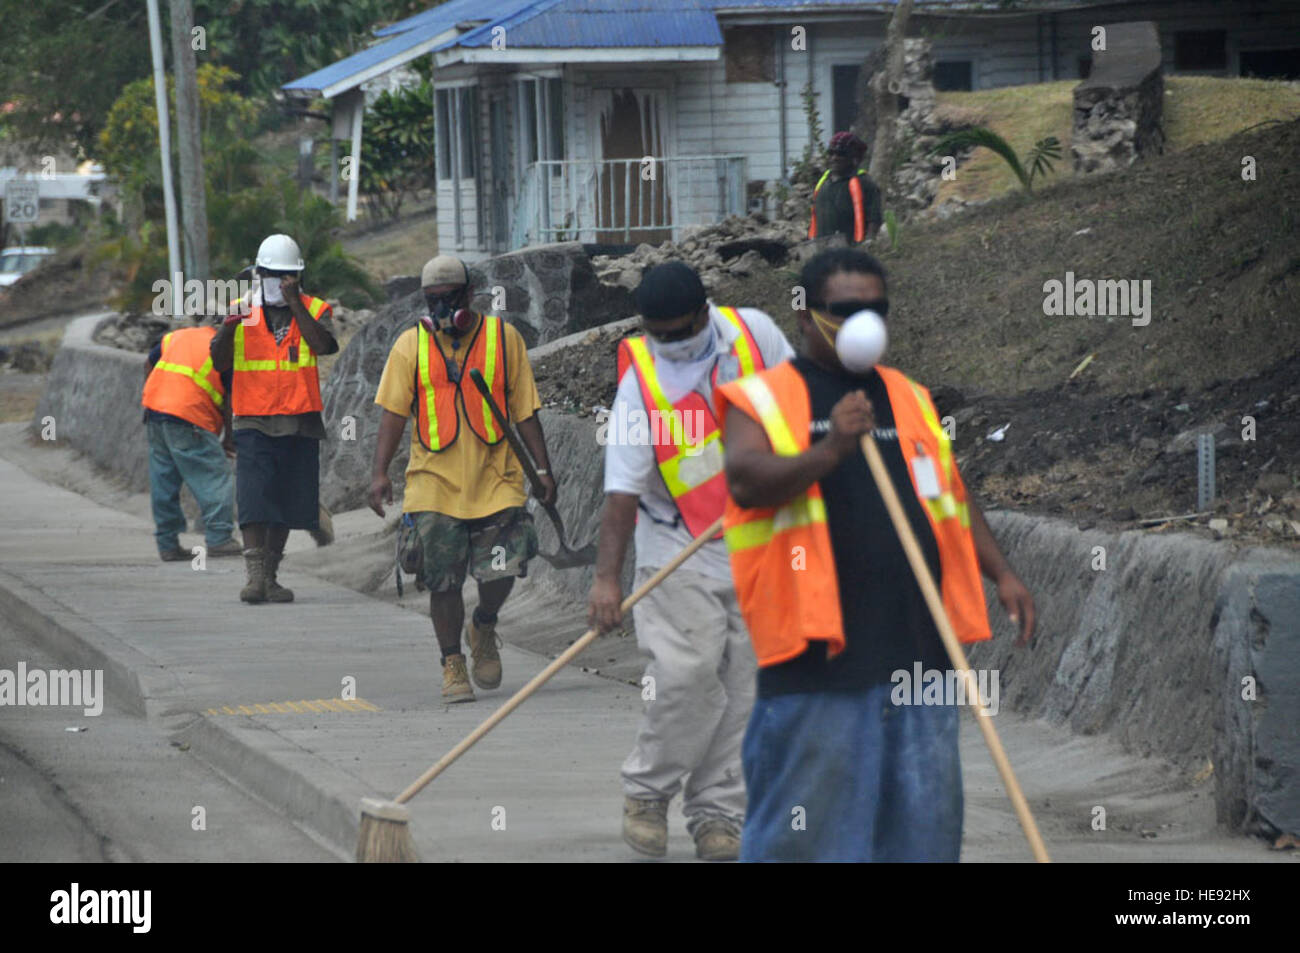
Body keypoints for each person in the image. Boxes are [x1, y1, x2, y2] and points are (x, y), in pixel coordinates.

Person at [715, 247, 1036, 862]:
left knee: (922, 838)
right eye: (846, 309)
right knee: (808, 843)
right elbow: (746, 481)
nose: (865, 322)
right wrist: (831, 448)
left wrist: (1002, 572)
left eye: (877, 309)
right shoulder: (765, 396)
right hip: (818, 663)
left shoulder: (908, 395)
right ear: (807, 317)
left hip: (922, 657)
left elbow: (950, 491)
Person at [587, 261, 794, 862]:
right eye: (660, 335)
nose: (672, 345)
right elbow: (621, 493)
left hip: (756, 541)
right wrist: (606, 579)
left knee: (743, 686)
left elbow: (797, 407)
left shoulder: (756, 335)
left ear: (705, 314)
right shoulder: (640, 385)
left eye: (682, 332)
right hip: (675, 546)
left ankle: (718, 814)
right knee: (685, 674)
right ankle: (647, 792)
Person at [369, 256, 554, 704]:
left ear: (469, 296)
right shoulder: (409, 346)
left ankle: (484, 624)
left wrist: (544, 469)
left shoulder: (501, 338)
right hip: (433, 482)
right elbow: (394, 413)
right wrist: (378, 473)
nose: (442, 308)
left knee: (502, 566)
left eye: (450, 298)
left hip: (497, 476)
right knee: (443, 581)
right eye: (433, 300)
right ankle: (452, 662)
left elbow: (525, 407)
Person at [210, 233, 339, 604]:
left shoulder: (315, 308)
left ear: (297, 277)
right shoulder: (241, 308)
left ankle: (270, 576)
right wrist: (229, 327)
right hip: (253, 417)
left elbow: (322, 345)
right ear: (257, 274)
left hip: (300, 418)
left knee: (285, 500)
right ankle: (253, 577)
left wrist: (295, 302)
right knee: (253, 497)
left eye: (285, 276)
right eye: (270, 275)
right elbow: (220, 362)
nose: (277, 283)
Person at [141, 316, 241, 561]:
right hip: (189, 417)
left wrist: (156, 393)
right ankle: (219, 539)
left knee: (164, 480)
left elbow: (148, 363)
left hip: (155, 413)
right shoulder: (225, 351)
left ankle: (167, 544)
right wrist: (229, 438)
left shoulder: (177, 337)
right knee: (213, 476)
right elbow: (230, 399)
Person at [808, 131, 884, 244]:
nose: (834, 158)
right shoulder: (823, 182)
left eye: (841, 154)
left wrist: (868, 243)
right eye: (831, 153)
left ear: (855, 159)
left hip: (851, 252)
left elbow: (874, 218)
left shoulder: (864, 183)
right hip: (822, 251)